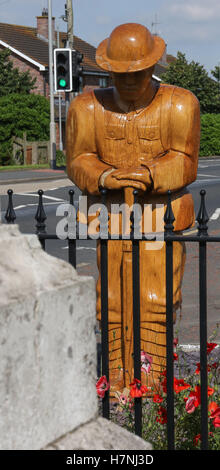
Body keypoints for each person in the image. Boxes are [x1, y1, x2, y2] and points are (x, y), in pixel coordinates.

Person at [66, 23, 200, 392]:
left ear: (152, 65)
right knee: (110, 302)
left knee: (156, 300)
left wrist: (149, 173)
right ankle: (118, 377)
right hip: (110, 218)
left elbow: (185, 159)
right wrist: (106, 177)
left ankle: (154, 384)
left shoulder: (179, 103)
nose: (128, 81)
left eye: (137, 73)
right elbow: (78, 159)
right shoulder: (86, 106)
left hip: (161, 216)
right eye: (120, 74)